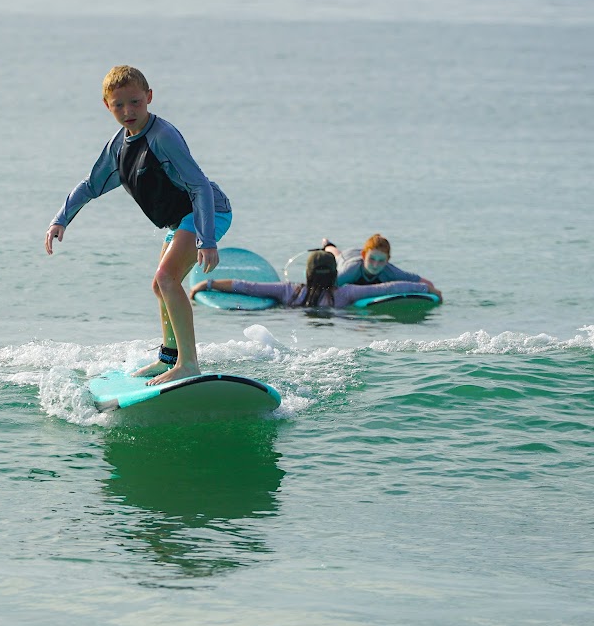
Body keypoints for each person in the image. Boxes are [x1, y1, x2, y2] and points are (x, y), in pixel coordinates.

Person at [45, 65, 232, 386]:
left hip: (207, 212)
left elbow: (199, 185)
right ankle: (169, 358)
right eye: (118, 105)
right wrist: (60, 218)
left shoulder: (163, 137)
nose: (128, 111)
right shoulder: (119, 146)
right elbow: (91, 185)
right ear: (107, 106)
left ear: (149, 97)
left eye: (135, 102)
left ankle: (189, 364)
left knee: (167, 278)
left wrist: (207, 240)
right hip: (180, 219)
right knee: (160, 285)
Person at [190, 250, 442, 308]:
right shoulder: (347, 293)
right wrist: (427, 288)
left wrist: (207, 284)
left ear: (307, 273)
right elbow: (391, 286)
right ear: (335, 273)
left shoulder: (289, 292)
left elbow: (246, 287)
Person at [321, 233, 439, 293]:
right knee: (334, 254)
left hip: (363, 253)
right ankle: (327, 244)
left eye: (381, 261)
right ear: (364, 256)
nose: (376, 265)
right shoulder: (349, 271)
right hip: (346, 257)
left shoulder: (390, 271)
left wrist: (434, 293)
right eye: (372, 259)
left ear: (387, 260)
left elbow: (427, 283)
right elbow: (325, 289)